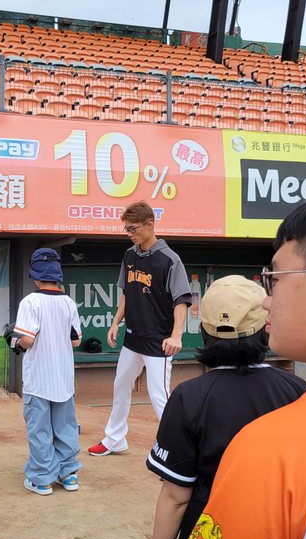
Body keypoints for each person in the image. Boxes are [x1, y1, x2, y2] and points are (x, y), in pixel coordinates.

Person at [158, 200, 306, 539]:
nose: (268, 299)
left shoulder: (191, 397)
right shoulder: (296, 390)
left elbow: (175, 496)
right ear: (260, 329)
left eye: (274, 279)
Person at [88, 201, 191, 457]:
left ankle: (179, 449)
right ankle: (115, 439)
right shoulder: (130, 255)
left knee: (159, 395)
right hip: (133, 339)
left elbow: (181, 300)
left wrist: (176, 335)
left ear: (150, 224)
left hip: (159, 341)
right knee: (120, 385)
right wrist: (115, 322)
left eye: (132, 228)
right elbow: (127, 293)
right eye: (126, 229)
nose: (129, 233)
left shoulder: (170, 259)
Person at [13, 248, 82, 496]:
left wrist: (14, 340)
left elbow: (27, 341)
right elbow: (76, 341)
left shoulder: (30, 302)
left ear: (35, 276)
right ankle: (68, 474)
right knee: (65, 428)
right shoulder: (68, 302)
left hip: (38, 379)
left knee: (40, 429)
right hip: (63, 378)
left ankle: (42, 478)